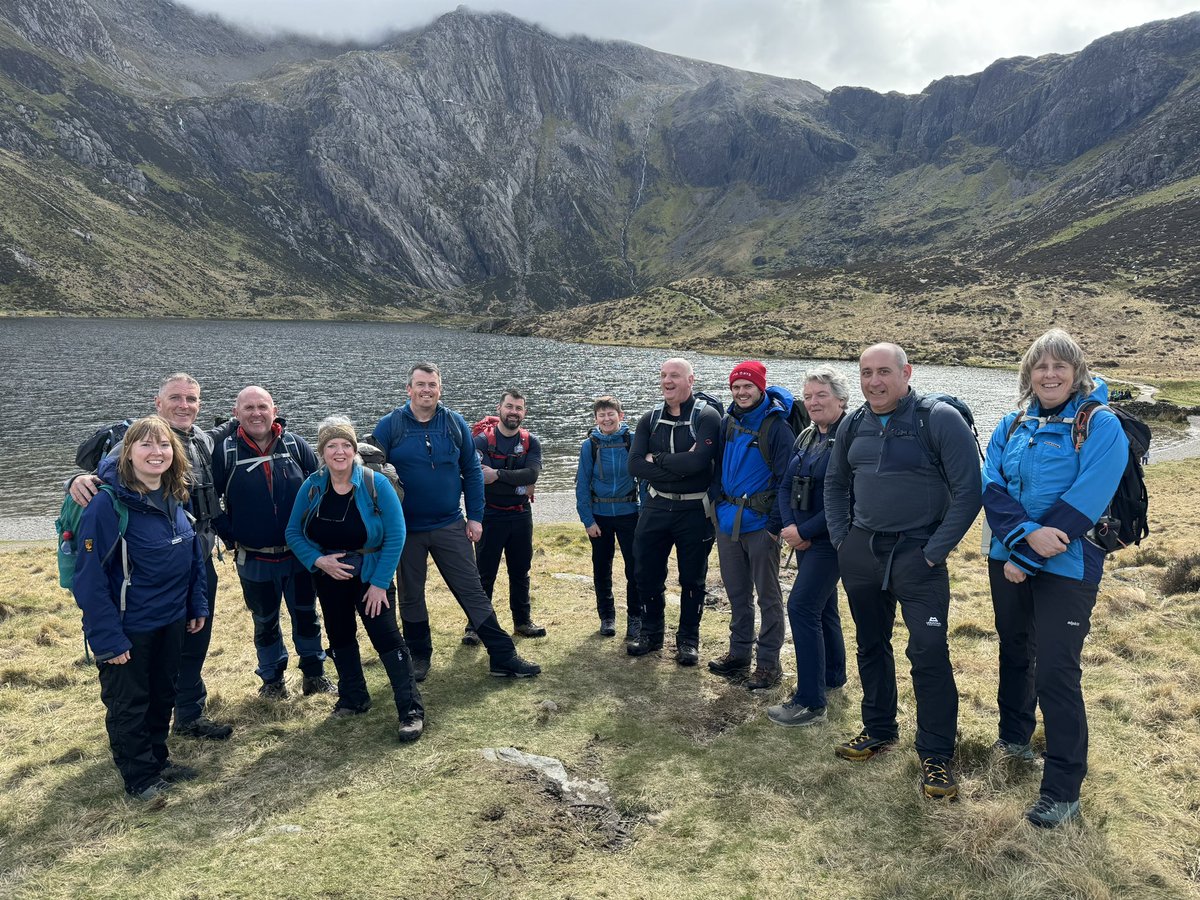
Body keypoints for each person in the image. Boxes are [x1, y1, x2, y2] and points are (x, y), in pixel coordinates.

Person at [982, 329, 1128, 828]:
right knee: (1014, 650)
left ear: (1076, 372)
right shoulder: (1011, 423)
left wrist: (1027, 556)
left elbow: (1088, 496)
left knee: (1056, 672)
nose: (1049, 374)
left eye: (1059, 366)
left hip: (1068, 566)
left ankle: (1063, 791)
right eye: (1040, 366)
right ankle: (1014, 740)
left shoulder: (1100, 425)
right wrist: (1023, 539)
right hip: (1008, 557)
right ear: (1028, 374)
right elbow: (991, 485)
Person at [825, 343, 982, 800]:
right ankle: (878, 729)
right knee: (871, 644)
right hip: (862, 552)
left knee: (928, 652)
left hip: (918, 556)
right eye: (866, 373)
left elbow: (969, 491)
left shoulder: (939, 420)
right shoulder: (853, 422)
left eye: (884, 372)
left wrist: (933, 552)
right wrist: (842, 540)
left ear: (906, 373)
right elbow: (835, 483)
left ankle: (936, 754)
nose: (874, 382)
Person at [69, 373, 232, 740]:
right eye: (175, 398)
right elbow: (104, 480)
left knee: (194, 638)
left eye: (191, 399)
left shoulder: (201, 438)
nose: (184, 405)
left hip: (195, 559)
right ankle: (145, 732)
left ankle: (188, 713)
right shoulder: (136, 441)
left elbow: (222, 436)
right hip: (147, 567)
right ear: (158, 403)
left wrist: (241, 419)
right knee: (156, 651)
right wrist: (74, 482)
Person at [371, 363, 540, 681]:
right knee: (411, 594)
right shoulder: (390, 425)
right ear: (409, 389)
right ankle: (419, 656)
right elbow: (372, 473)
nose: (426, 390)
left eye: (432, 385)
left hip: (450, 523)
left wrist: (475, 517)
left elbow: (473, 472)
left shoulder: (453, 423)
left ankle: (502, 656)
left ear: (440, 389)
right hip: (406, 529)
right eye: (420, 384)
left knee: (472, 590)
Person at [72, 416, 209, 800]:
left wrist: (196, 603)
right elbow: (89, 580)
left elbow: (191, 555)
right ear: (127, 453)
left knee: (163, 694)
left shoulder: (172, 494)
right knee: (129, 703)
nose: (156, 452)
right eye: (146, 444)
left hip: (171, 619)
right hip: (128, 626)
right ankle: (140, 778)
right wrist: (108, 640)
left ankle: (158, 760)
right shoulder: (106, 505)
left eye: (164, 445)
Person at [285, 418, 423, 741]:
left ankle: (411, 710)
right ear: (321, 452)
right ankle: (353, 697)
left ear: (354, 450)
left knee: (387, 638)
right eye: (331, 446)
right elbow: (293, 532)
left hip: (371, 574)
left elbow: (396, 534)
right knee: (340, 636)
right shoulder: (313, 486)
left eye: (345, 445)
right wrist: (318, 560)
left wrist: (380, 583)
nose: (339, 452)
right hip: (330, 576)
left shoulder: (377, 484)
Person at [211, 386, 334, 700]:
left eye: (262, 407)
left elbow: (322, 488)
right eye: (249, 408)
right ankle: (272, 681)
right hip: (255, 558)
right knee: (264, 622)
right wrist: (230, 534)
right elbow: (210, 501)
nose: (256, 413)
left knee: (307, 614)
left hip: (299, 555)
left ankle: (314, 675)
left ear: (274, 411)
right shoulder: (225, 451)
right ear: (236, 414)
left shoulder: (295, 445)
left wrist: (317, 534)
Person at [767, 366, 850, 727]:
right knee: (824, 606)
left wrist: (804, 531)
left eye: (821, 395)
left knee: (801, 607)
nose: (813, 402)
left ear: (841, 399)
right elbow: (786, 484)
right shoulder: (807, 435)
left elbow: (847, 500)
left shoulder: (850, 437)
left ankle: (810, 702)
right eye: (808, 396)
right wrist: (789, 526)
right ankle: (832, 675)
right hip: (803, 537)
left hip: (831, 542)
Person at [627, 357, 722, 665]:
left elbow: (699, 463)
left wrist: (657, 459)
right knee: (646, 573)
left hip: (694, 509)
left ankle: (688, 640)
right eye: (663, 375)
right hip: (656, 505)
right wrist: (681, 465)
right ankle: (651, 634)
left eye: (675, 376)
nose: (667, 381)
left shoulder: (707, 417)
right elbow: (634, 465)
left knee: (693, 579)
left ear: (690, 380)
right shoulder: (649, 418)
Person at [708, 361, 795, 690]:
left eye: (748, 386)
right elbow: (717, 465)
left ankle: (769, 665)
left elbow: (787, 479)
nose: (741, 392)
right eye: (736, 387)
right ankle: (739, 654)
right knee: (737, 592)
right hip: (727, 521)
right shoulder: (728, 421)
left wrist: (774, 526)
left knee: (768, 597)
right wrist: (716, 503)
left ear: (761, 388)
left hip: (761, 526)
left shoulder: (777, 427)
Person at [471, 389, 545, 640]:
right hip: (490, 515)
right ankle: (476, 627)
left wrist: (497, 475)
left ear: (524, 412)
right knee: (484, 574)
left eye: (519, 408)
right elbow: (478, 480)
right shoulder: (482, 441)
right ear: (499, 408)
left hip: (520, 515)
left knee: (520, 571)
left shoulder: (531, 441)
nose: (514, 412)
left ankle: (522, 622)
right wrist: (519, 485)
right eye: (510, 406)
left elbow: (531, 475)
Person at [574, 396, 641, 639]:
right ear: (596, 419)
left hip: (629, 514)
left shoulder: (632, 441)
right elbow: (582, 485)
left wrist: (644, 513)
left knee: (635, 569)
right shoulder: (589, 446)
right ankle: (607, 617)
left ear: (620, 416)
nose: (606, 419)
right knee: (602, 568)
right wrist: (588, 520)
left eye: (611, 414)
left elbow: (644, 479)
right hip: (599, 516)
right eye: (601, 415)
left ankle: (635, 618)